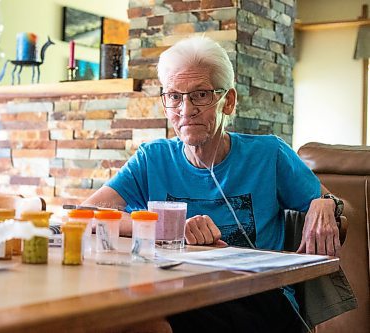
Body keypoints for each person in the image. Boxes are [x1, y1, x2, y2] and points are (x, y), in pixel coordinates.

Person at [83, 36, 342, 333]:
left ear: (228, 101)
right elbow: (87, 213)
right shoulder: (152, 158)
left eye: (201, 95)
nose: (185, 109)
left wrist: (325, 203)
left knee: (147, 322)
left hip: (259, 299)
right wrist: (168, 227)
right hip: (177, 293)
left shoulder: (269, 154)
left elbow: (341, 218)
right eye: (174, 96)